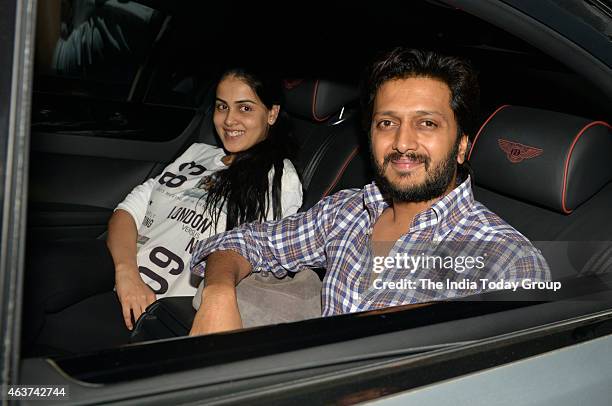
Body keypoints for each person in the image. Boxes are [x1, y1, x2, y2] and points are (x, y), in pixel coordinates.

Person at [188, 48, 551, 336]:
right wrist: (218, 295)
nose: (402, 142)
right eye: (387, 123)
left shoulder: (507, 262)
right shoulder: (347, 212)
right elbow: (242, 242)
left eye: (426, 123)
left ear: (461, 146)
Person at [23, 67, 302, 354]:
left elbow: (254, 252)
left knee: (54, 329)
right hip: (119, 268)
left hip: (162, 304)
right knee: (32, 272)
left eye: (244, 107)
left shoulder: (280, 178)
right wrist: (126, 273)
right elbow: (126, 212)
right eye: (222, 106)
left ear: (271, 113)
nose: (229, 120)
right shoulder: (197, 154)